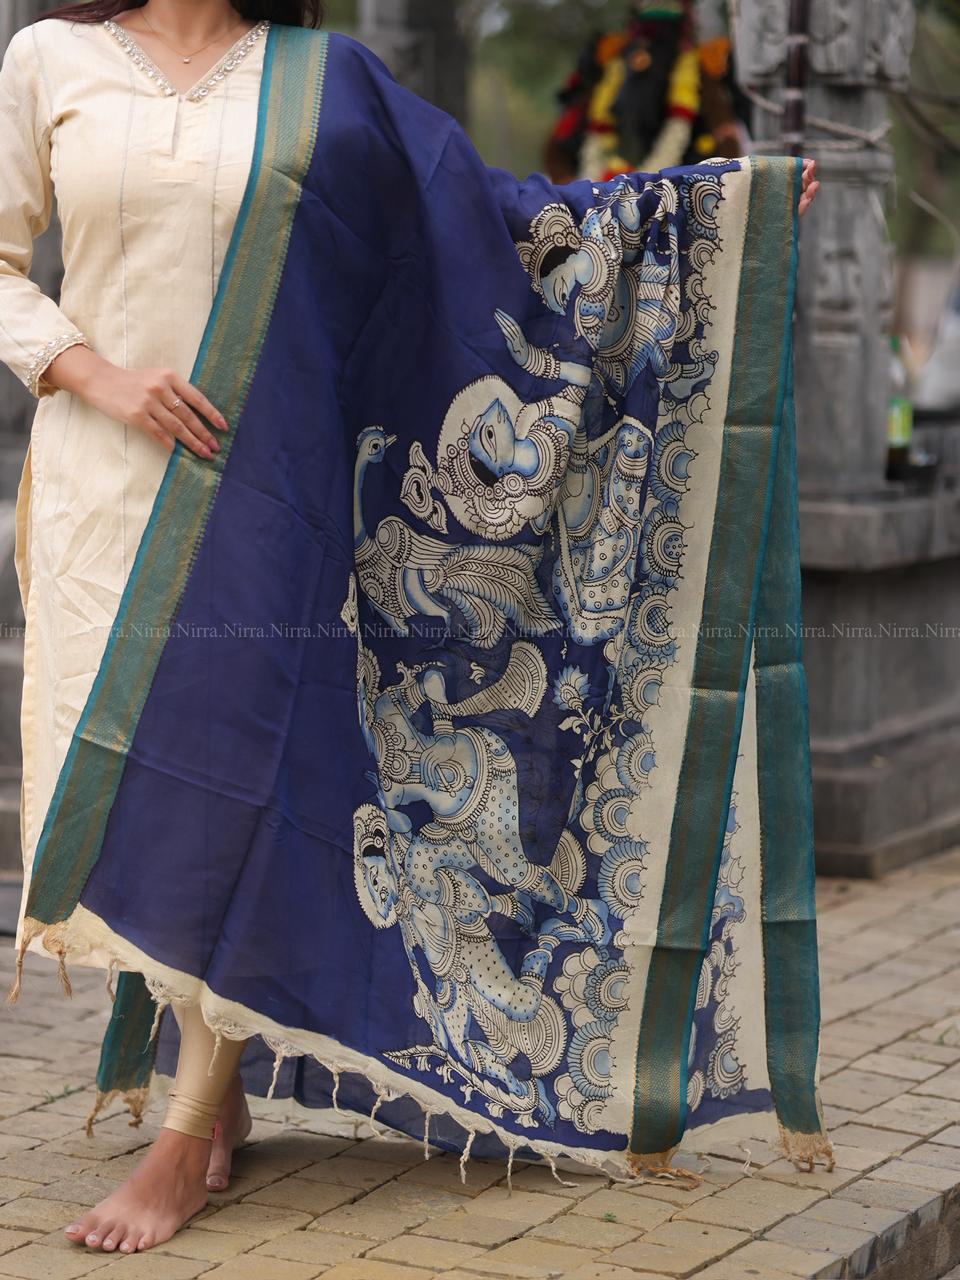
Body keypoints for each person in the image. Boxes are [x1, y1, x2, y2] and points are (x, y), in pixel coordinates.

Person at [0, 0, 822, 1256]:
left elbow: (489, 219)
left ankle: (185, 1129)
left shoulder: (318, 78)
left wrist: (714, 207)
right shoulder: (49, 60)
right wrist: (95, 372)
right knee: (111, 791)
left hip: (261, 495)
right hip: (96, 492)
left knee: (226, 791)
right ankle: (209, 1084)